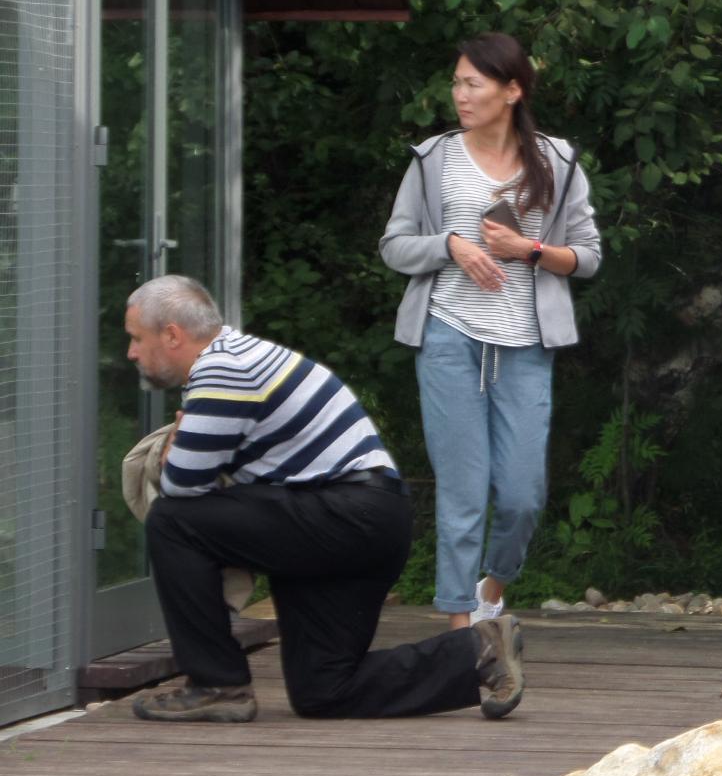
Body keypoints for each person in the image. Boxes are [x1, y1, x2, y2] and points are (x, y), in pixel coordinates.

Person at [125, 275, 525, 724]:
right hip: (357, 520)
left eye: (136, 338)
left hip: (345, 516)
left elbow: (182, 486)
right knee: (324, 690)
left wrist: (173, 452)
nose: (132, 352)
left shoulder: (224, 369)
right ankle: (478, 650)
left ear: (172, 334)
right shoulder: (238, 356)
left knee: (172, 521)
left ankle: (216, 685)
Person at [380, 33, 601, 631]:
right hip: (448, 337)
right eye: (456, 83)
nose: (460, 95)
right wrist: (451, 245)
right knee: (463, 492)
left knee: (524, 495)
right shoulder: (433, 159)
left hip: (526, 346)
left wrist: (528, 249)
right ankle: (458, 629)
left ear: (512, 90)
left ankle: (492, 588)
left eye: (472, 84)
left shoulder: (557, 162)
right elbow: (395, 246)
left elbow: (587, 257)